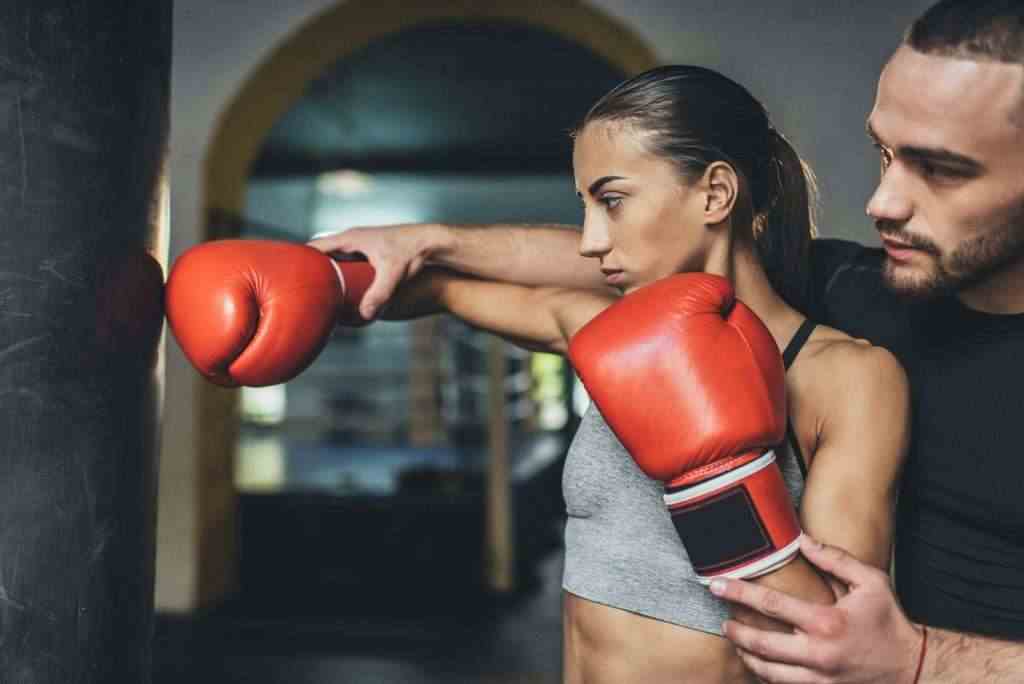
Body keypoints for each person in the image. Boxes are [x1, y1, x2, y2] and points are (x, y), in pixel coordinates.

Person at [310, 1, 1024, 681]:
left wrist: (718, 484)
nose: (882, 203)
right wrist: (372, 265)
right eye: (883, 154)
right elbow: (563, 268)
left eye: (940, 168)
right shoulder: (860, 283)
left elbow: (824, 643)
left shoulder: (850, 372)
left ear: (716, 193)